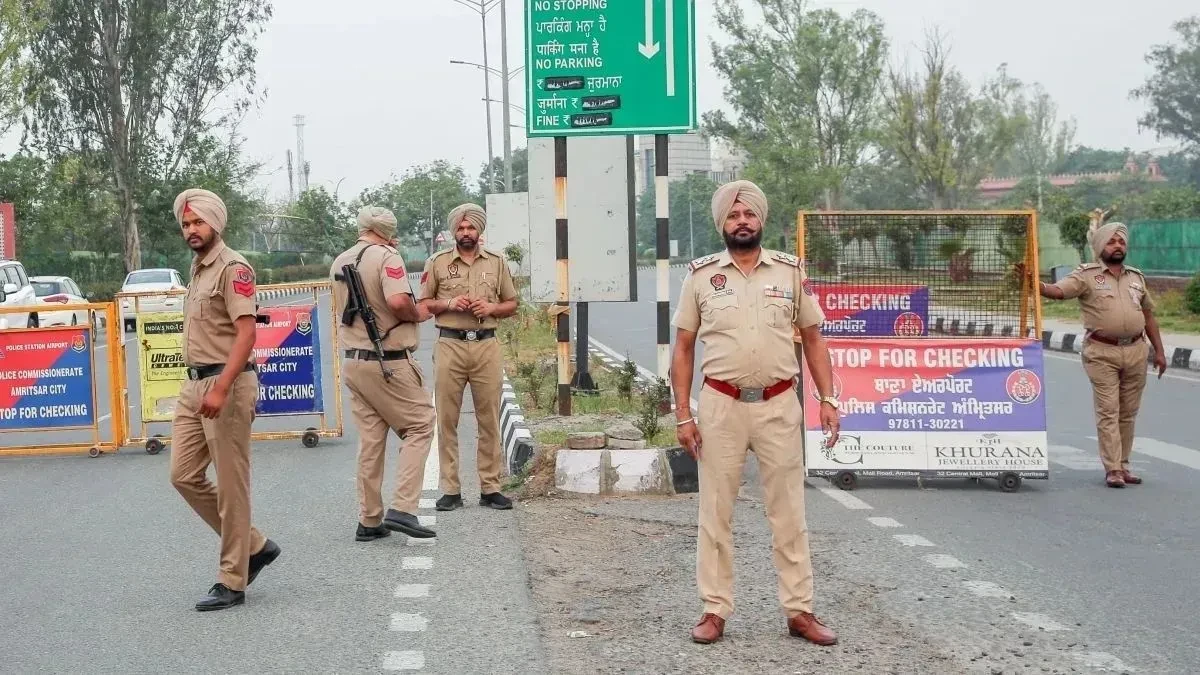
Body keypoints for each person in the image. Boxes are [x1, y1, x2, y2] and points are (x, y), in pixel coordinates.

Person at [670, 179, 841, 646]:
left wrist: (828, 399)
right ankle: (714, 610)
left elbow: (814, 338)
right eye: (732, 215)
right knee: (715, 513)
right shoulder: (702, 277)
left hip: (779, 405)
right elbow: (683, 348)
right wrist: (683, 414)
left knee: (789, 513)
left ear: (761, 220)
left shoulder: (789, 273)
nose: (741, 221)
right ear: (721, 223)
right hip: (720, 407)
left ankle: (799, 611)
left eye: (748, 214)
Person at [169, 188, 280, 612]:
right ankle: (255, 545)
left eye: (198, 222)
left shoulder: (233, 267)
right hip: (194, 385)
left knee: (233, 487)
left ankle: (232, 579)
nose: (191, 230)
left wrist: (220, 387)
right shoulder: (197, 269)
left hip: (227, 385)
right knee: (182, 475)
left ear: (216, 223)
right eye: (186, 224)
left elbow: (247, 333)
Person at [1022, 221, 1167, 488]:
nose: (1118, 246)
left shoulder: (1136, 277)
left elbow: (1148, 315)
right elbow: (1059, 291)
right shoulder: (1086, 275)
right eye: (1112, 241)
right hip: (1101, 352)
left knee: (1128, 412)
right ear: (1101, 246)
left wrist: (1159, 351)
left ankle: (1124, 465)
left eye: (1121, 241)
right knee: (1109, 410)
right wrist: (1037, 285)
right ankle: (1112, 469)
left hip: (1136, 350)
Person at [331, 206, 438, 541]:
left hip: (354, 361)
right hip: (388, 361)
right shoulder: (388, 257)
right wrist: (419, 312)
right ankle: (403, 509)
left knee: (372, 440)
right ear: (389, 231)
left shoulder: (339, 261)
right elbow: (397, 302)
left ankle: (370, 519)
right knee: (420, 425)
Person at [418, 203, 519, 512]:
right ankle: (451, 489)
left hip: (486, 346)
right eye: (460, 228)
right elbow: (423, 305)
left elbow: (511, 303)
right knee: (447, 418)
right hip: (450, 345)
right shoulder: (436, 263)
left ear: (479, 231)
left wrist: (490, 309)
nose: (465, 233)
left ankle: (490, 487)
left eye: (470, 228)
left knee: (488, 418)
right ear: (453, 232)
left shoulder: (497, 262)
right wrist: (449, 303)